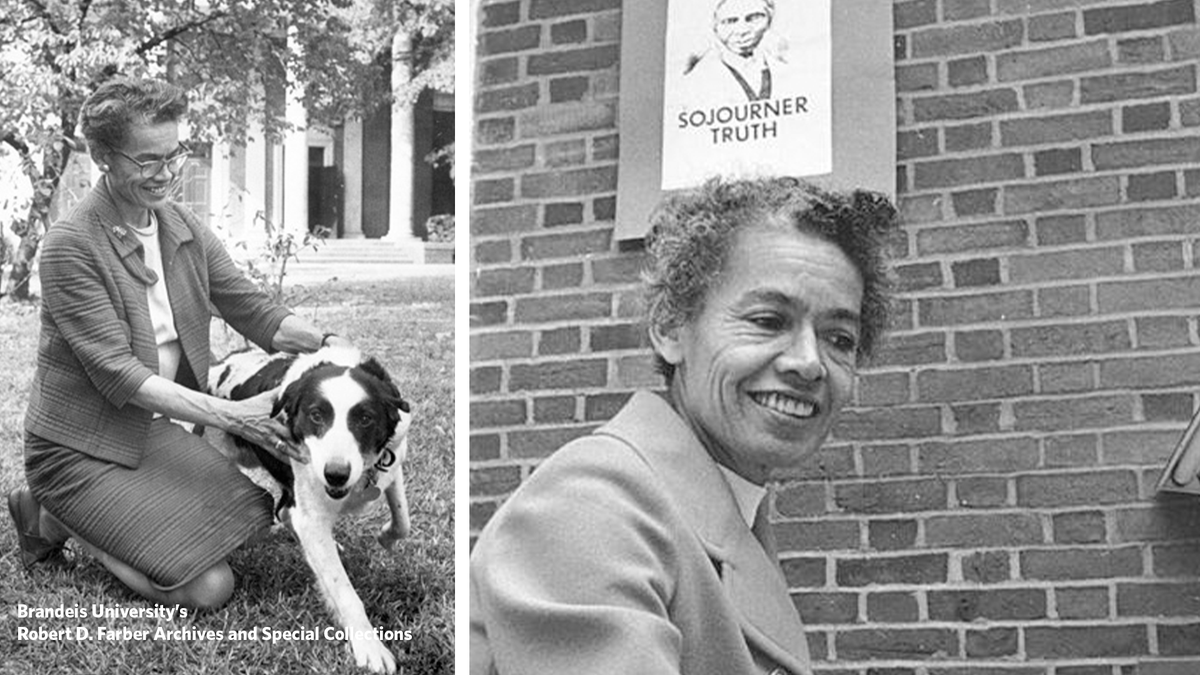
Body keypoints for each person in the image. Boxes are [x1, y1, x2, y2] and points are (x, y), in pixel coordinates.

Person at [469, 176, 898, 674]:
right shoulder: (590, 505)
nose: (810, 362)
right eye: (767, 320)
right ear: (671, 328)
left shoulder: (722, 507)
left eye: (840, 339)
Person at [7, 77, 353, 610]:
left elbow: (249, 307)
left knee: (254, 519)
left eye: (175, 154)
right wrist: (237, 417)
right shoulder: (70, 246)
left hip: (150, 433)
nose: (166, 173)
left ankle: (51, 515)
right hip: (77, 447)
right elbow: (123, 376)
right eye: (147, 160)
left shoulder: (179, 222)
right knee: (210, 588)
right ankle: (68, 517)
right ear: (102, 156)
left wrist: (329, 344)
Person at [682, 0, 788, 103]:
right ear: (714, 26)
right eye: (730, 21)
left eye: (754, 18)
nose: (742, 30)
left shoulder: (786, 69)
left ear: (769, 21)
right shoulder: (697, 82)